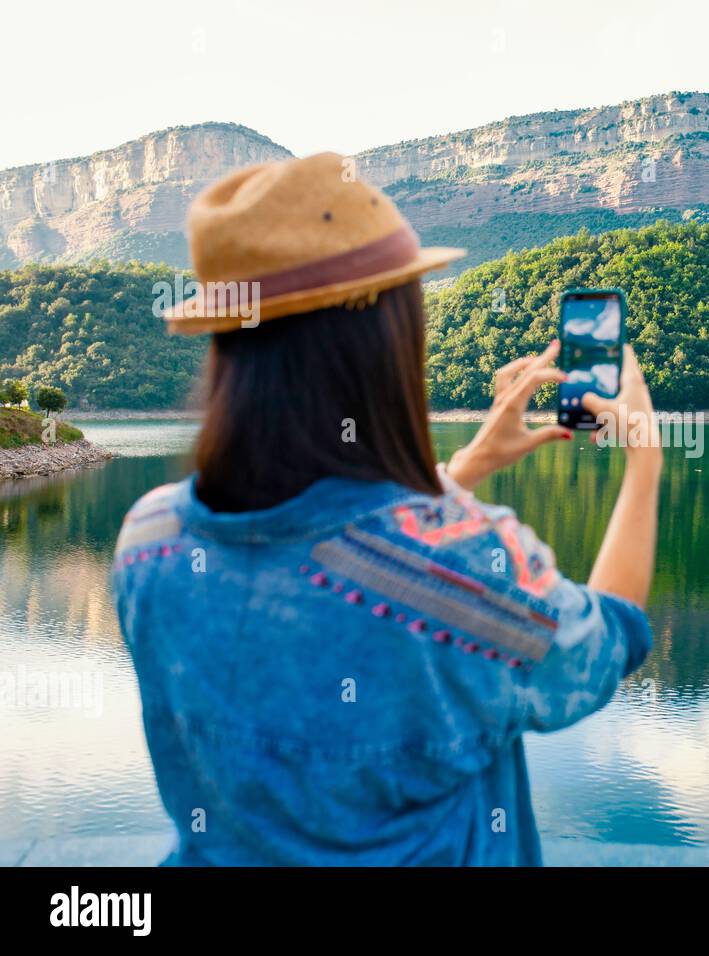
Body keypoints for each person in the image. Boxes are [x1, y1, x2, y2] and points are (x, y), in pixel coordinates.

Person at [112, 152, 660, 865]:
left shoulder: (147, 542)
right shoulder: (465, 575)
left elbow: (336, 540)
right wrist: (644, 462)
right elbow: (609, 642)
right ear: (387, 343)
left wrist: (464, 470)